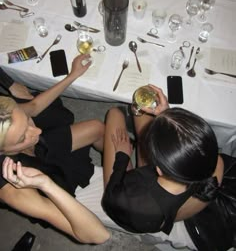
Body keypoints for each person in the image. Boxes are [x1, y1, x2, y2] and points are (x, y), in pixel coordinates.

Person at [73, 85, 235, 250]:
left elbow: (110, 196)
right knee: (138, 111)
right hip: (171, 197)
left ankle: (125, 123)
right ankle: (138, 116)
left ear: (156, 167)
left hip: (128, 187)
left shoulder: (133, 202)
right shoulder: (214, 166)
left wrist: (123, 156)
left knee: (114, 113)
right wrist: (167, 116)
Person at [0, 54, 110, 244]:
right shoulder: (9, 188)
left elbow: (33, 107)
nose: (37, 131)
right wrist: (45, 184)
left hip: (43, 152)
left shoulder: (7, 115)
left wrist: (72, 75)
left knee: (97, 128)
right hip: (40, 180)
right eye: (22, 137)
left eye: (27, 122)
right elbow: (98, 236)